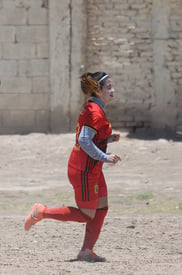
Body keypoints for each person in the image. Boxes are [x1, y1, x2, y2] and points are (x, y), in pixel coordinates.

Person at [24, 72, 121, 262]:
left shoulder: (95, 108)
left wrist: (108, 138)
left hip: (92, 168)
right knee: (86, 214)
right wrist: (105, 157)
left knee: (101, 208)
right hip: (84, 170)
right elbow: (84, 140)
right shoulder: (94, 111)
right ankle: (41, 212)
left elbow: (90, 135)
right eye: (108, 87)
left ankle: (86, 251)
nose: (113, 90)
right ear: (98, 90)